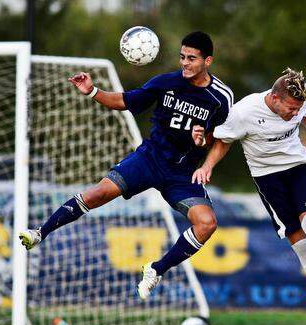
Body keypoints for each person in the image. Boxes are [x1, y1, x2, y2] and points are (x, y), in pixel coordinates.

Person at [18, 31, 234, 301]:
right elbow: (125, 101)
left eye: (192, 58)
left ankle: (156, 270)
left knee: (207, 224)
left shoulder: (221, 97)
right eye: (182, 57)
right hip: (149, 159)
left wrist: (204, 150)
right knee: (99, 193)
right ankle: (40, 233)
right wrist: (93, 91)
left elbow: (224, 138)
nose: (185, 63)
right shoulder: (165, 83)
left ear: (207, 61)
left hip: (182, 173)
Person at [189, 68, 306, 325]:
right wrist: (206, 166)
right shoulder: (244, 112)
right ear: (275, 97)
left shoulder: (303, 99)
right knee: (299, 243)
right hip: (267, 177)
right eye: (290, 108)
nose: (295, 113)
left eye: (298, 107)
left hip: (299, 165)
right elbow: (222, 141)